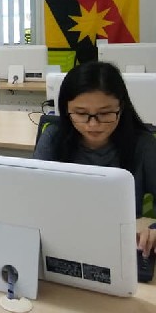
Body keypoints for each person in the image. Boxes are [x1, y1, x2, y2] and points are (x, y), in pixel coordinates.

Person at [34, 61, 156, 256]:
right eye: (81, 114)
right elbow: (34, 199)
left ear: (121, 108)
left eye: (105, 113)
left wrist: (153, 231)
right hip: (63, 242)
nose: (93, 124)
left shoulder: (143, 145)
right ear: (66, 110)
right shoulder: (53, 139)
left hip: (122, 245)